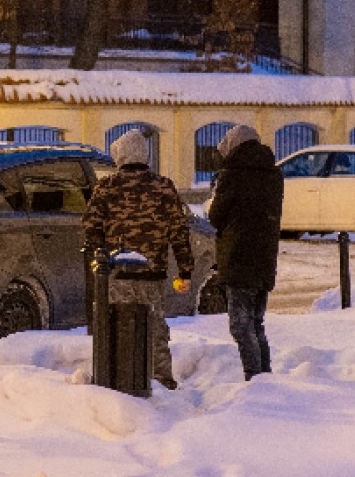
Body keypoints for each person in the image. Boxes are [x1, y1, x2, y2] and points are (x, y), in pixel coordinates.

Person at [82, 129, 194, 390]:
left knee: (114, 325)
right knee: (154, 327)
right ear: (145, 155)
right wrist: (185, 270)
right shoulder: (163, 186)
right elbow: (179, 231)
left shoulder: (107, 186)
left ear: (120, 155)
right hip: (152, 274)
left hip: (116, 273)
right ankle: (162, 381)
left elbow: (90, 227)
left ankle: (114, 379)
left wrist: (101, 256)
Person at [208, 124, 283, 381]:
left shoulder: (232, 175)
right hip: (264, 257)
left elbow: (216, 216)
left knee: (240, 325)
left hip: (238, 257)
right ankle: (265, 376)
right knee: (256, 322)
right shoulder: (274, 175)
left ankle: (255, 378)